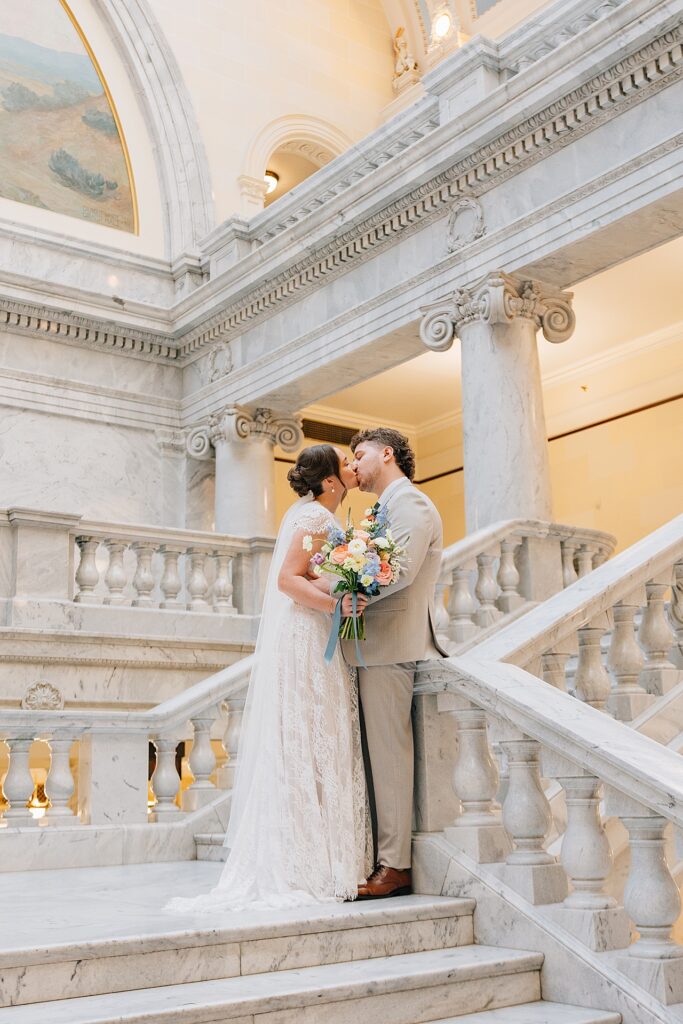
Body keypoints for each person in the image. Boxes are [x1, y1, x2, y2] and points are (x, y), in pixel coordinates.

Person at [167, 444, 372, 912]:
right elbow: (288, 580)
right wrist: (336, 602)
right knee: (312, 736)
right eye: (345, 462)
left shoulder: (324, 518)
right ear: (329, 482)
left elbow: (313, 576)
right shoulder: (316, 520)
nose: (353, 466)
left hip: (316, 632)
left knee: (319, 738)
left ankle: (323, 853)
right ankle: (309, 861)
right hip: (306, 637)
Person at [344, 427, 447, 900]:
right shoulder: (382, 507)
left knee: (388, 757)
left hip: (393, 647)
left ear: (387, 454)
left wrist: (352, 591)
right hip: (371, 644)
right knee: (369, 759)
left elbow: (398, 569)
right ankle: (378, 854)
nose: (354, 465)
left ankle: (395, 865)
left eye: (359, 455)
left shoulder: (412, 504)